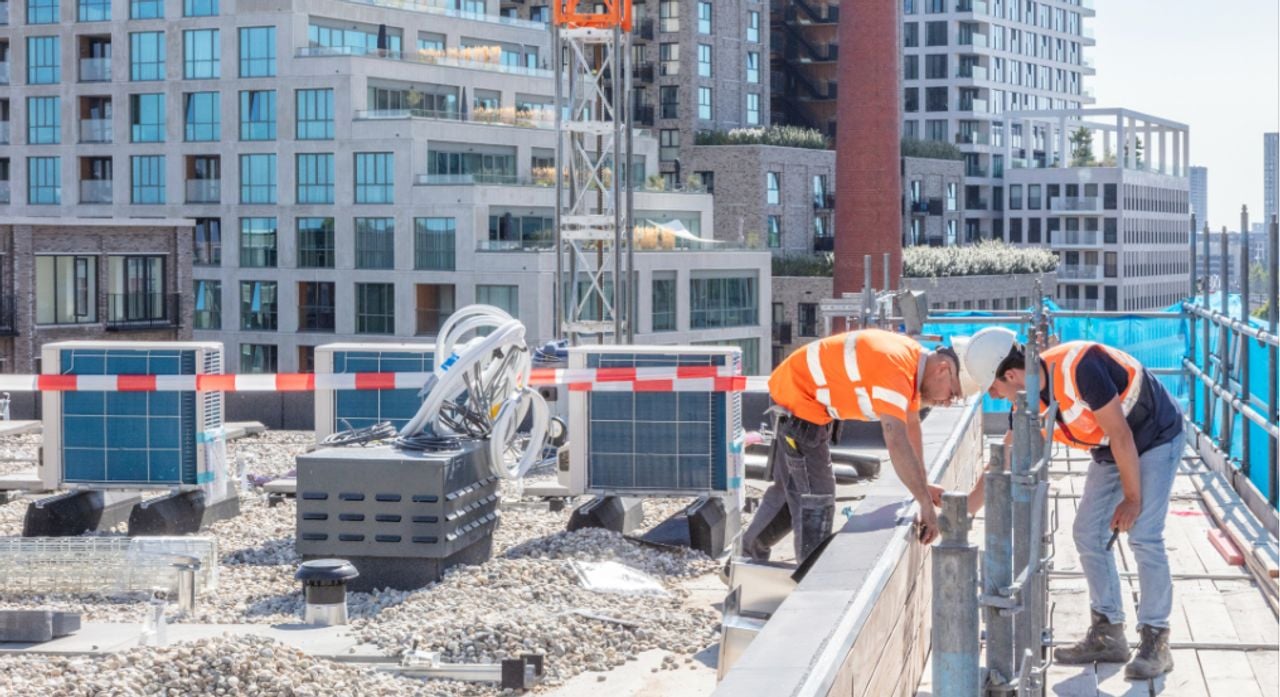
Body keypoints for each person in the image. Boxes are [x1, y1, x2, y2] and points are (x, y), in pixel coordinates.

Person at [958, 327, 1183, 681]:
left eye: (995, 388)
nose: (997, 397)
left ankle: (1156, 640)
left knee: (1143, 534)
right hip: (1112, 448)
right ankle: (1109, 632)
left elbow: (1123, 435)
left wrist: (1132, 498)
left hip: (1154, 434)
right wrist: (962, 512)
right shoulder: (1027, 403)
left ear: (1012, 374)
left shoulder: (1081, 367)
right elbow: (1001, 462)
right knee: (1087, 534)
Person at [741, 328, 968, 565]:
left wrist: (922, 485)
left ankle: (746, 556)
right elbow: (896, 438)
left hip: (799, 393)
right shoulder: (896, 365)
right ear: (943, 369)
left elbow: (911, 426)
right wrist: (924, 503)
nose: (947, 402)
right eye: (952, 393)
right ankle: (808, 579)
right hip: (799, 401)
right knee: (817, 495)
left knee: (793, 490)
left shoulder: (911, 363)